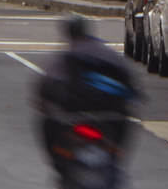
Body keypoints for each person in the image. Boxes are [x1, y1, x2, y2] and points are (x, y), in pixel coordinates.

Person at [31, 13, 140, 161]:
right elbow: (129, 80)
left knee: (48, 122)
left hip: (75, 111)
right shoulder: (107, 52)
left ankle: (59, 160)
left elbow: (48, 82)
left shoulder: (67, 55)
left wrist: (44, 102)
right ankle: (114, 153)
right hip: (110, 112)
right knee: (124, 121)